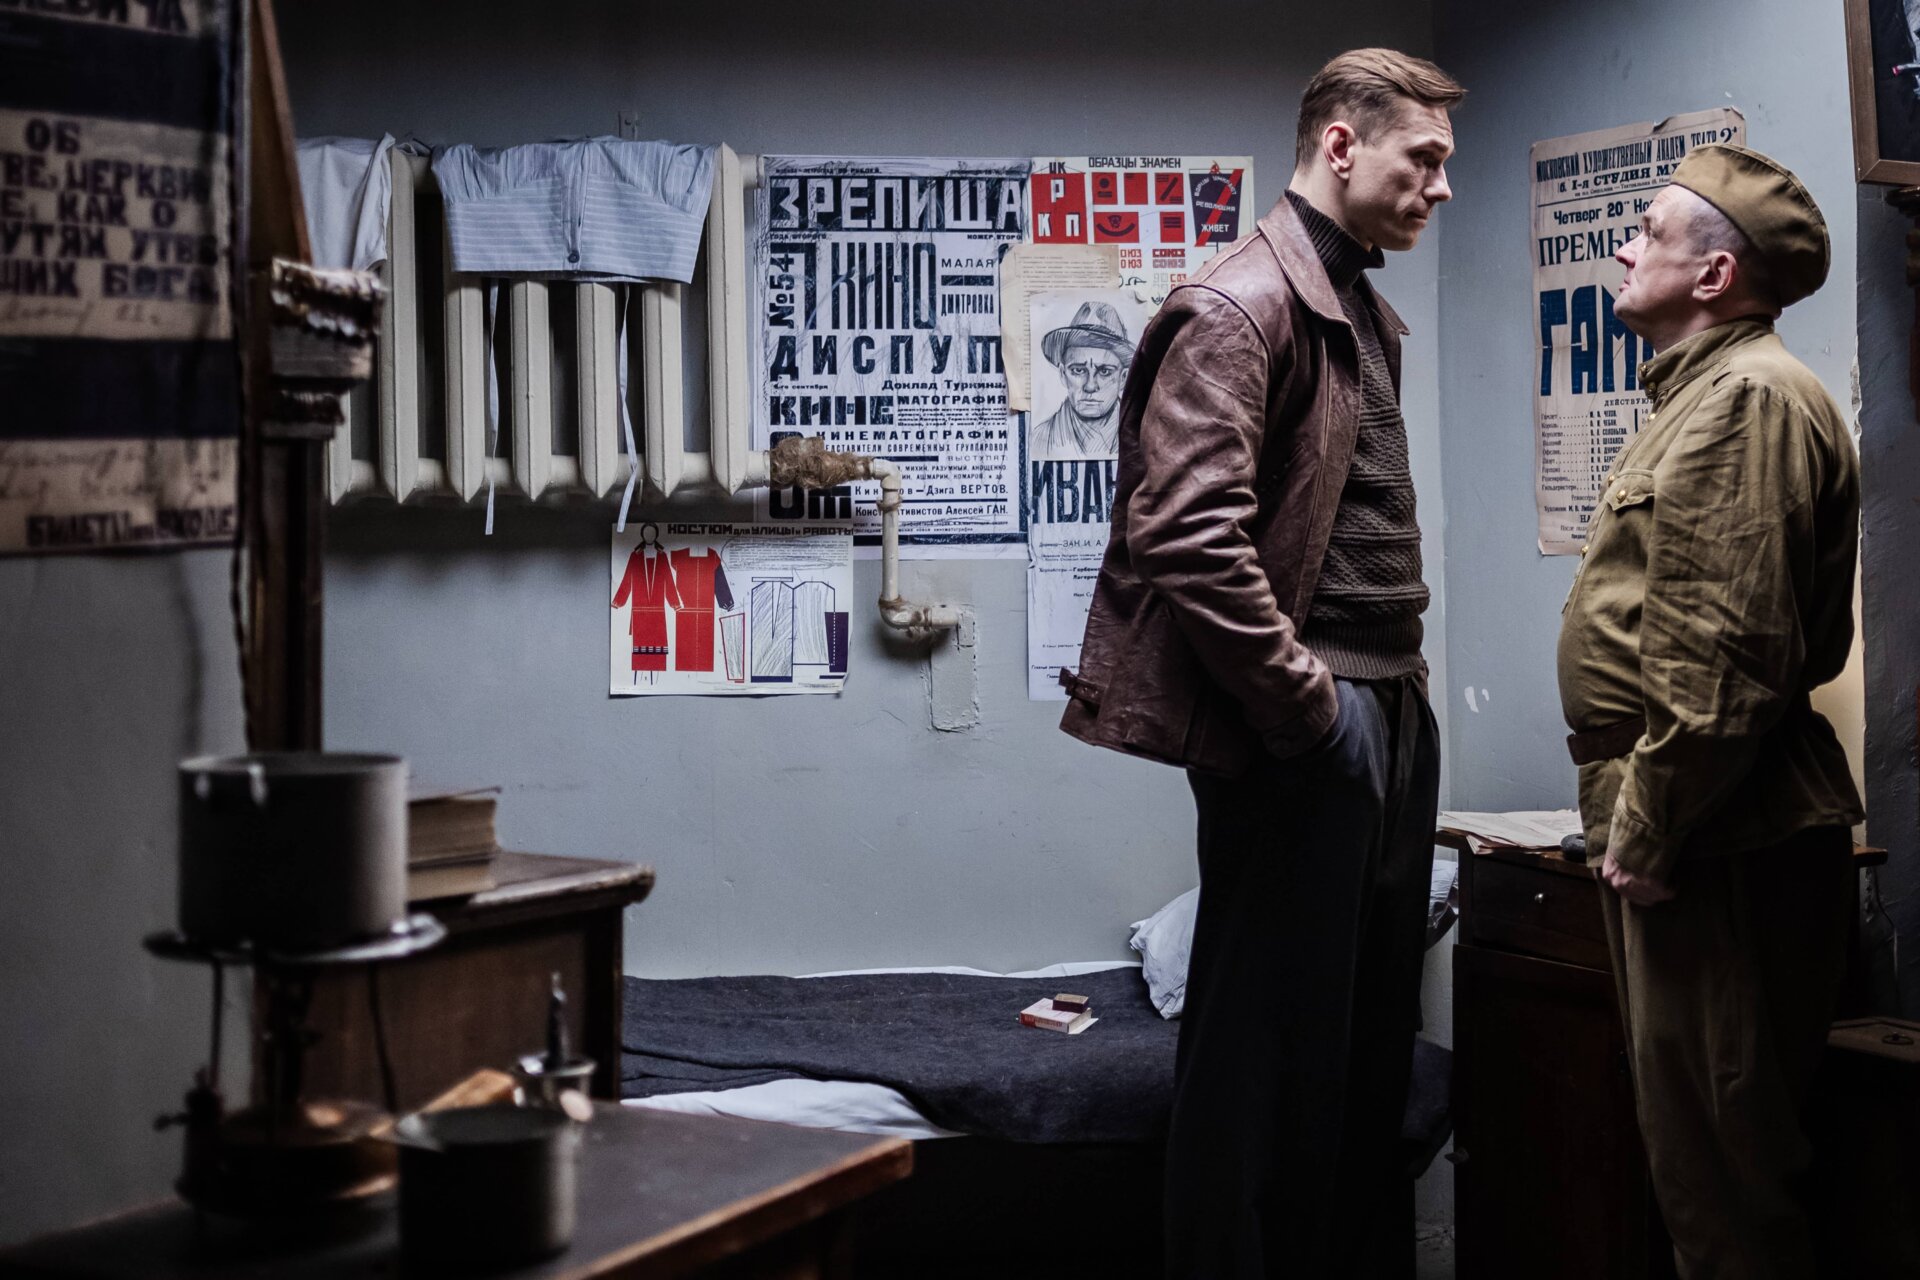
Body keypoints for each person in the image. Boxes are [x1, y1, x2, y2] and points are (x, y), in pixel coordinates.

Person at [1058, 48, 1462, 1279]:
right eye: (1424, 158)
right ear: (1341, 144)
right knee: (1261, 1062)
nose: (1442, 186)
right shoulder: (1241, 303)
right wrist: (1307, 708)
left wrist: (1375, 711)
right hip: (1317, 716)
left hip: (1387, 702)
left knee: (1360, 1051)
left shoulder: (1356, 303)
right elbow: (1184, 528)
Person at [1556, 144, 1862, 1280]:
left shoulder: (1747, 400)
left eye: (1648, 230)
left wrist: (1648, 825)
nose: (1624, 246)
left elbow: (1722, 648)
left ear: (1714, 273)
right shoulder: (1703, 394)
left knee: (1728, 1179)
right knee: (1700, 1165)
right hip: (1695, 820)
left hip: (1716, 833)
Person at [1032, 299, 1134, 459]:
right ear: (1062, 374)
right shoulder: (1037, 440)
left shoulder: (1143, 438)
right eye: (1078, 370)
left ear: (1123, 378)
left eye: (1105, 371)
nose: (1090, 386)